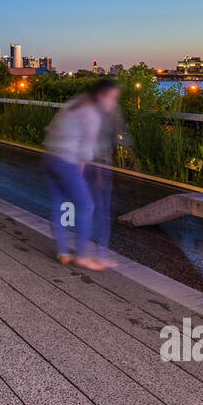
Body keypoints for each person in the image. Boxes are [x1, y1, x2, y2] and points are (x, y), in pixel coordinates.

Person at [42, 79, 121, 270]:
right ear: (102, 95)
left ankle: (63, 252)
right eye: (112, 98)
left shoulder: (76, 102)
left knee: (59, 205)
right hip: (66, 161)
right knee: (86, 206)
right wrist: (79, 176)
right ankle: (83, 256)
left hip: (50, 157)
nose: (113, 103)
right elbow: (85, 152)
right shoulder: (92, 114)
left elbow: (51, 129)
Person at [88, 85, 131, 266]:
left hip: (101, 165)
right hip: (97, 165)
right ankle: (98, 250)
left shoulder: (109, 110)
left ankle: (97, 249)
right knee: (100, 208)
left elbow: (121, 135)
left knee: (98, 207)